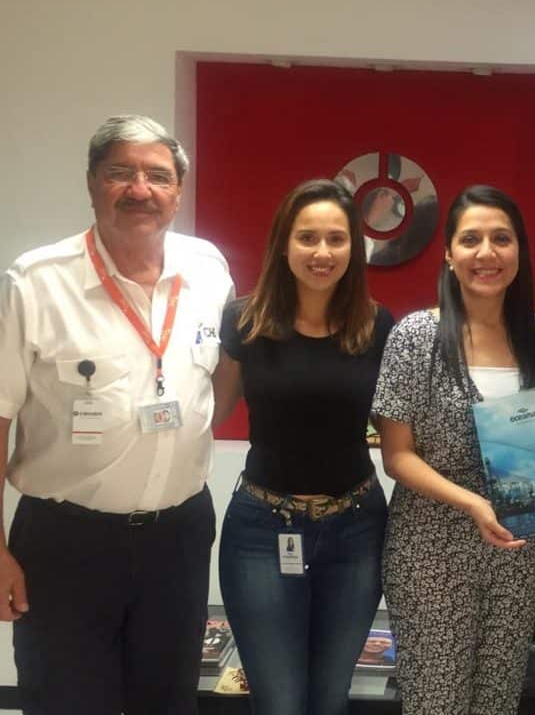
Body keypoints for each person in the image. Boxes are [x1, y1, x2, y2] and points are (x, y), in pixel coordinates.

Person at [0, 115, 234, 714]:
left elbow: (218, 383)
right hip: (64, 542)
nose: (140, 190)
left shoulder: (208, 270)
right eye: (120, 173)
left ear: (178, 191)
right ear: (91, 183)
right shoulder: (36, 281)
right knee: (66, 701)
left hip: (177, 537)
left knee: (168, 701)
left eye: (158, 176)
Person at [372, 184, 535, 714]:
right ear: (449, 254)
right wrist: (473, 503)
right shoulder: (415, 336)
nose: (486, 253)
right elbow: (397, 456)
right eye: (471, 239)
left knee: (498, 700)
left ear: (519, 251)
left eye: (501, 239)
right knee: (437, 703)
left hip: (519, 551)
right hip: (432, 552)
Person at [212, 178, 393, 715]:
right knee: (280, 702)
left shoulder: (376, 325)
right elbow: (211, 413)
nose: (322, 252)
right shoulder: (244, 320)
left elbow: (400, 434)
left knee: (330, 698)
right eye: (307, 237)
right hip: (261, 531)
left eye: (336, 239)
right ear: (283, 244)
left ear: (353, 248)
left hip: (356, 528)